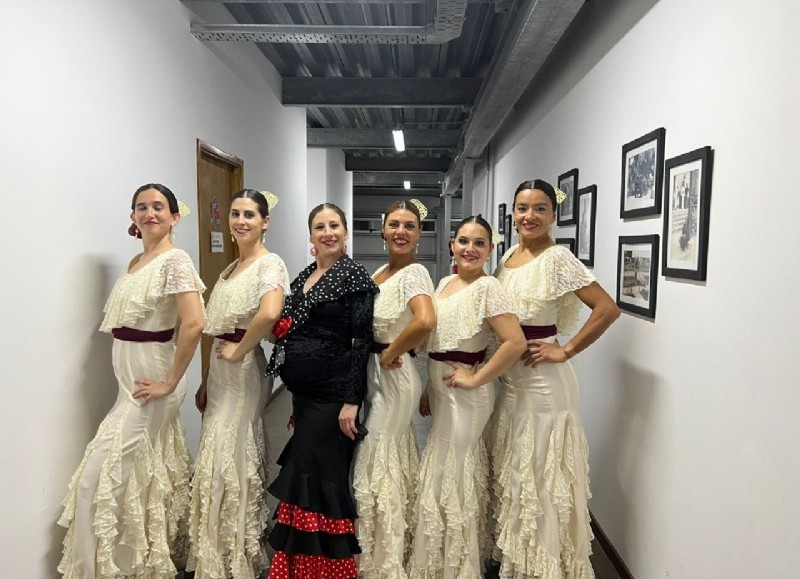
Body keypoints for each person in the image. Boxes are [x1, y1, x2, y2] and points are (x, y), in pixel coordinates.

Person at [58, 183, 206, 578]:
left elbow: (194, 324)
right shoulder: (135, 263)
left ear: (175, 217)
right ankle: (136, 564)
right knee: (134, 477)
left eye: (158, 207)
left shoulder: (176, 261)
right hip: (131, 384)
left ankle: (96, 571)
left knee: (95, 481)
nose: (149, 213)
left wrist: (171, 382)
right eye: (141, 207)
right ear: (133, 217)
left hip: (151, 385)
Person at [489, 179, 619, 579]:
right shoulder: (508, 256)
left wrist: (566, 350)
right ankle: (519, 558)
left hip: (545, 384)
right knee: (517, 469)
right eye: (523, 208)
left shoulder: (558, 259)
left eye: (540, 209)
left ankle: (543, 567)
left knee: (542, 476)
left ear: (554, 215)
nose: (530, 216)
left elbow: (606, 308)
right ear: (513, 213)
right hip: (510, 380)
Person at [407, 215, 526, 579]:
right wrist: (429, 386)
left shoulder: (489, 288)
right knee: (444, 465)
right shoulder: (445, 282)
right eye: (463, 241)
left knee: (453, 467)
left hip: (468, 394)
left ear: (490, 250)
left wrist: (476, 378)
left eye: (479, 243)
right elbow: (440, 343)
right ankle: (442, 552)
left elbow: (515, 342)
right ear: (451, 246)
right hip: (442, 387)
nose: (470, 249)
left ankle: (457, 563)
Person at [266, 203, 379, 579]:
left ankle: (328, 569)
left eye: (334, 225)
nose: (327, 232)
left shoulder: (355, 276)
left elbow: (360, 342)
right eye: (319, 226)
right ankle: (298, 565)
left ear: (346, 232)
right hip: (305, 395)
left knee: (319, 477)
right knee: (306, 474)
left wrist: (351, 401)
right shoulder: (307, 275)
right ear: (311, 235)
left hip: (333, 396)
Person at [188, 190, 289, 579]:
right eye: (235, 214)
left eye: (250, 214)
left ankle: (238, 548)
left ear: (265, 222)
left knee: (232, 451)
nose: (241, 221)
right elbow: (215, 328)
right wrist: (206, 381)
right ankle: (216, 542)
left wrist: (241, 349)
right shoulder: (231, 267)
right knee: (215, 451)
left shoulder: (270, 264)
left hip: (244, 369)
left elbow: (270, 312)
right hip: (220, 371)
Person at [353, 200, 436, 579]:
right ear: (382, 230)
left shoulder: (415, 273)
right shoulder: (382, 271)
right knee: (392, 455)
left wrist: (393, 351)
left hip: (394, 375)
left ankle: (382, 560)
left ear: (419, 234)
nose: (401, 231)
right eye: (394, 225)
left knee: (379, 454)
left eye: (410, 226)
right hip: (374, 373)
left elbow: (426, 319)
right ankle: (388, 544)